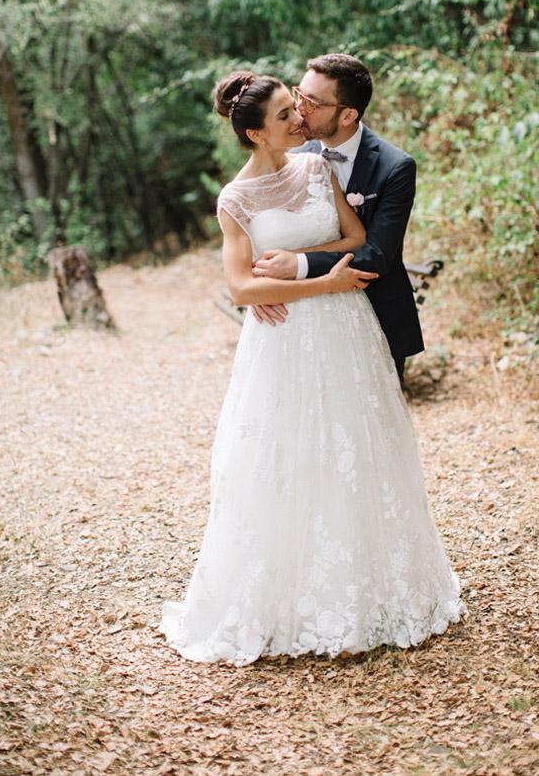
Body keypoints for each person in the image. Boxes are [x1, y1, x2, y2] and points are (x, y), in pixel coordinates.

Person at [160, 70, 465, 665]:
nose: (298, 118)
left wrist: (306, 271)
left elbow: (359, 239)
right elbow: (243, 289)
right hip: (282, 343)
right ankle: (287, 598)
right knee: (285, 457)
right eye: (285, 113)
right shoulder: (235, 200)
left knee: (358, 450)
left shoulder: (315, 167)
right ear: (255, 133)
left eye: (300, 107)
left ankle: (373, 589)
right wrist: (322, 281)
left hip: (347, 332)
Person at [250, 53, 423, 383]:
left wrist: (298, 265)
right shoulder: (287, 157)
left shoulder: (395, 167)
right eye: (299, 94)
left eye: (312, 102)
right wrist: (261, 281)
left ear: (348, 115)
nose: (300, 108)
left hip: (375, 314)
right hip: (301, 317)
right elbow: (260, 228)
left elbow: (376, 255)